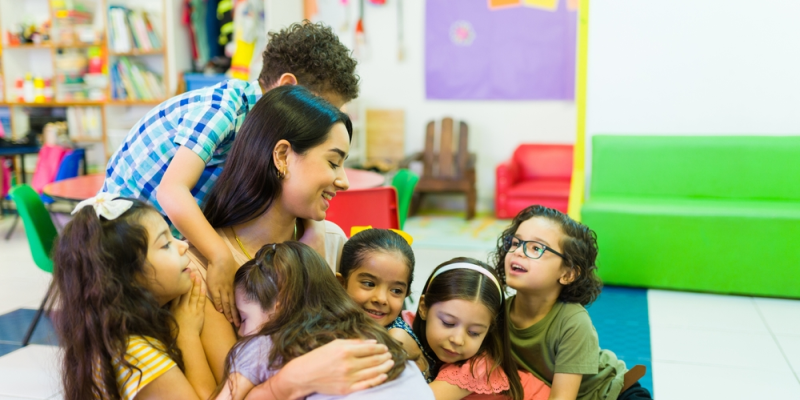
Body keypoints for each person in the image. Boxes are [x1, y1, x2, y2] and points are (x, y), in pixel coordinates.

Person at [100, 21, 359, 332]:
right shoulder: (226, 107)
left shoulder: (262, 136)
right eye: (322, 108)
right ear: (289, 87)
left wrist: (313, 228)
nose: (327, 125)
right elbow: (171, 191)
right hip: (123, 244)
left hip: (171, 237)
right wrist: (220, 255)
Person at [188, 84, 352, 381]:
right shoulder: (200, 268)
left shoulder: (333, 241)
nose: (344, 181)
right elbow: (231, 385)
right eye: (333, 162)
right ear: (282, 156)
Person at [215, 241, 434, 400]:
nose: (241, 331)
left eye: (243, 318)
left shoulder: (263, 343)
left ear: (278, 308)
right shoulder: (375, 334)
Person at [52, 194, 216, 399]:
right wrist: (187, 335)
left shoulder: (115, 331)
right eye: (165, 244)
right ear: (127, 277)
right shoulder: (135, 355)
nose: (183, 245)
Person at [492, 205, 653, 400]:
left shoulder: (573, 322)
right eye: (515, 243)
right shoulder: (496, 312)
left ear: (567, 274)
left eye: (536, 248)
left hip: (613, 392)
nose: (518, 252)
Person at [414, 258, 550, 400]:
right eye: (448, 323)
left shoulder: (476, 367)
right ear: (423, 308)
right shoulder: (404, 328)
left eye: (474, 333)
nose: (458, 340)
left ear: (488, 331)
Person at [338, 228, 431, 381]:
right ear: (341, 283)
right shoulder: (343, 323)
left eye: (396, 290)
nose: (381, 299)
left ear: (406, 294)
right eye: (369, 283)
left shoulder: (395, 337)